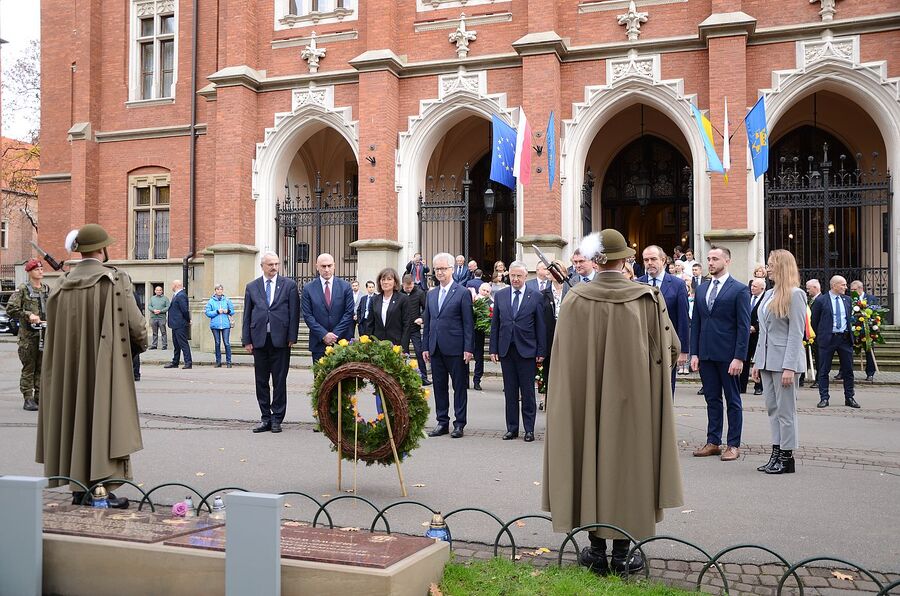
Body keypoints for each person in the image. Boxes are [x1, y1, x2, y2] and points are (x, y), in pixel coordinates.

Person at [543, 229, 682, 577]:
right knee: (629, 467)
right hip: (635, 403)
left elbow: (563, 358)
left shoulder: (575, 299)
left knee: (589, 459)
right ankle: (623, 553)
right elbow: (670, 349)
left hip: (586, 400)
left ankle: (596, 550)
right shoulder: (647, 298)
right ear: (625, 260)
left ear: (596, 260)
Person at [37, 224, 147, 508]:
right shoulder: (114, 280)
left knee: (74, 418)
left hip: (67, 368)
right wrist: (137, 347)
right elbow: (137, 328)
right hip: (104, 364)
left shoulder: (60, 285)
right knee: (103, 418)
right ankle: (100, 489)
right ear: (103, 248)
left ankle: (78, 488)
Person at [690, 246, 751, 462]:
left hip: (729, 356)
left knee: (733, 400)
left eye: (715, 258)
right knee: (712, 399)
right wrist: (694, 353)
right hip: (706, 354)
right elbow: (696, 322)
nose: (710, 262)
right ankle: (713, 441)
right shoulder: (702, 289)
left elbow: (744, 327)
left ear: (727, 261)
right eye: (708, 258)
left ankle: (733, 444)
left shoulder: (740, 289)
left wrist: (739, 357)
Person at [751, 250, 807, 475]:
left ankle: (787, 457)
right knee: (773, 410)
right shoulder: (768, 294)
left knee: (786, 411)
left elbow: (796, 334)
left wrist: (789, 367)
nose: (768, 268)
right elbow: (763, 333)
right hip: (767, 361)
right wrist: (756, 362)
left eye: (771, 264)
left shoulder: (795, 295)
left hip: (785, 363)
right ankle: (776, 453)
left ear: (783, 266)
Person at [243, 251, 300, 433]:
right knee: (261, 381)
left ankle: (277, 419)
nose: (274, 267)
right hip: (259, 340)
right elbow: (246, 315)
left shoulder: (289, 285)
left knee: (279, 381)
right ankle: (265, 418)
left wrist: (292, 337)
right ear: (262, 266)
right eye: (270, 264)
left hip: (281, 341)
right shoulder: (252, 287)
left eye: (276, 264)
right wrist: (247, 340)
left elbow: (294, 313)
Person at [490, 262, 545, 442]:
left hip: (527, 351)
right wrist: (493, 349)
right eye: (512, 276)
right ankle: (512, 428)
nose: (515, 279)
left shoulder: (535, 296)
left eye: (519, 276)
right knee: (510, 392)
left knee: (528, 392)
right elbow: (495, 324)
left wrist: (541, 351)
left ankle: (529, 429)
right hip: (507, 350)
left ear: (525, 277)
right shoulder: (501, 295)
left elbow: (540, 326)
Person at [423, 252, 474, 438]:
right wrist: (425, 347)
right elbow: (428, 322)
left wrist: (468, 348)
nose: (440, 272)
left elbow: (468, 323)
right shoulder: (431, 294)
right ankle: (442, 421)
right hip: (436, 347)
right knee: (439, 386)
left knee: (459, 387)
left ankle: (459, 423)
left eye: (443, 268)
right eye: (437, 269)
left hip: (456, 348)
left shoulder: (462, 292)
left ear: (452, 269)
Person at [638, 246, 690, 394]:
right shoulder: (638, 284)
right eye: (646, 260)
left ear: (664, 260)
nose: (649, 263)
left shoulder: (677, 284)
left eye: (653, 259)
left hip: (668, 347)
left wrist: (683, 350)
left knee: (666, 390)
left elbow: (683, 318)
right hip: (643, 345)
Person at [810, 275, 860, 409]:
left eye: (845, 284)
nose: (846, 287)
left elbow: (849, 318)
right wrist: (822, 334)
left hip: (844, 339)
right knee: (824, 369)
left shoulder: (848, 300)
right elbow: (814, 321)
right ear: (834, 286)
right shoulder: (821, 301)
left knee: (848, 370)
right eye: (843, 285)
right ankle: (824, 397)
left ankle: (849, 397)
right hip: (828, 339)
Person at [7, 258, 50, 411]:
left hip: (44, 335)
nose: (41, 271)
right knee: (29, 367)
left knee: (42, 367)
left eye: (41, 269)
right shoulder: (23, 289)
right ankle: (28, 398)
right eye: (37, 269)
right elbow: (11, 309)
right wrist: (28, 314)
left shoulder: (46, 289)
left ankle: (39, 397)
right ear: (30, 272)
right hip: (28, 337)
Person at [301, 253, 355, 363]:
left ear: (334, 266)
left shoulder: (345, 287)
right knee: (321, 379)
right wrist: (324, 335)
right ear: (317, 267)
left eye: (329, 266)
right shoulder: (308, 289)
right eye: (323, 266)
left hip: (342, 342)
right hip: (319, 343)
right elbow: (307, 316)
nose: (327, 269)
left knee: (342, 379)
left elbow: (348, 313)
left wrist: (334, 335)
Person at [369, 268, 410, 348]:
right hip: (378, 345)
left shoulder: (403, 299)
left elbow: (406, 325)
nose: (385, 282)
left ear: (395, 282)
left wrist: (403, 347)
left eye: (389, 279)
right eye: (383, 279)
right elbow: (370, 324)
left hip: (396, 345)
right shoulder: (374, 300)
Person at [401, 273, 430, 385]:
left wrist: (421, 318)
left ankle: (423, 377)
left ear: (413, 283)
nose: (408, 289)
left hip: (414, 328)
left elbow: (426, 308)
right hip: (403, 329)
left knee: (419, 351)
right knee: (403, 353)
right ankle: (403, 377)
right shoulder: (399, 293)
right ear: (403, 285)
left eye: (410, 287)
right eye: (406, 287)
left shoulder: (419, 293)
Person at [740, 278, 767, 395]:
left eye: (755, 286)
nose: (752, 288)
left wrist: (755, 327)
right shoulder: (748, 297)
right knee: (744, 359)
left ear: (762, 288)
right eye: (752, 286)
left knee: (758, 360)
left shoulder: (766, 299)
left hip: (758, 335)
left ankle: (758, 386)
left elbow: (766, 316)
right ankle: (742, 386)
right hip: (746, 334)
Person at [849, 280, 878, 382]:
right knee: (847, 351)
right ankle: (844, 372)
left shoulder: (871, 299)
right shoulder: (850, 299)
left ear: (860, 289)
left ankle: (870, 373)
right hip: (853, 329)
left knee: (869, 351)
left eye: (854, 290)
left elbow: (875, 313)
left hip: (867, 330)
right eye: (851, 290)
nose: (852, 292)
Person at [164, 279, 193, 369]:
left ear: (176, 285)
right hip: (175, 324)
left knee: (183, 344)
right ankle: (175, 362)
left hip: (180, 323)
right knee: (176, 345)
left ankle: (188, 362)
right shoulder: (176, 295)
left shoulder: (181, 295)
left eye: (172, 285)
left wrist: (188, 320)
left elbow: (184, 310)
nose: (171, 286)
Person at [205, 284, 235, 368]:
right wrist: (217, 311)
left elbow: (232, 311)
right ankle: (218, 362)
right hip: (215, 325)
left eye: (221, 289)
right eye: (218, 289)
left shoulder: (227, 300)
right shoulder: (211, 301)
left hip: (225, 324)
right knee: (217, 343)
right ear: (215, 290)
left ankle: (229, 362)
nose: (219, 291)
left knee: (226, 343)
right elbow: (207, 312)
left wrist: (227, 311)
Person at [799, 279, 822, 388]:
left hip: (817, 334)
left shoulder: (822, 300)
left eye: (808, 289)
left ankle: (819, 379)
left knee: (819, 359)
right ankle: (801, 378)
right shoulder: (808, 300)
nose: (807, 291)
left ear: (815, 288)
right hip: (806, 334)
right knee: (804, 358)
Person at [470, 283, 492, 391]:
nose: (485, 293)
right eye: (484, 290)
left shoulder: (491, 303)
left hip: (480, 333)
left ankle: (477, 381)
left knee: (479, 358)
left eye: (488, 291)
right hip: (469, 332)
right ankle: (464, 380)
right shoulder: (472, 299)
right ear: (479, 289)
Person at [147, 285, 169, 349]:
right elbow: (149, 306)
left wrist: (161, 311)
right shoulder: (152, 298)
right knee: (154, 332)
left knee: (163, 332)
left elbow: (168, 307)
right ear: (155, 291)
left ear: (162, 291)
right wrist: (153, 310)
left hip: (162, 318)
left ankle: (164, 345)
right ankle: (154, 345)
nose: (159, 291)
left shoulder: (165, 298)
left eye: (160, 290)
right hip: (153, 318)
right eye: (157, 290)